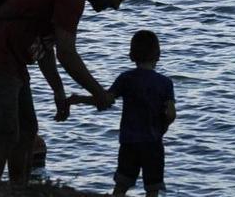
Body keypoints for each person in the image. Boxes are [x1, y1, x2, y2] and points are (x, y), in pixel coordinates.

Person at [0, 0, 138, 185]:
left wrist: (58, 89)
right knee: (3, 136)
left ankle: (18, 189)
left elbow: (46, 46)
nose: (116, 6)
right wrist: (99, 93)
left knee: (27, 131)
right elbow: (67, 54)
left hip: (12, 61)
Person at [69, 30, 176, 197]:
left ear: (131, 56)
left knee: (122, 184)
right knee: (152, 189)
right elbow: (170, 113)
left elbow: (105, 100)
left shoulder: (126, 78)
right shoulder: (165, 83)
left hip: (129, 142)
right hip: (153, 143)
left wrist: (80, 99)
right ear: (159, 55)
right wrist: (165, 124)